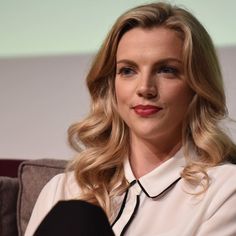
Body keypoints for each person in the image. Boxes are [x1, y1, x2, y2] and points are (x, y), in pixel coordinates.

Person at [25, 2, 236, 236]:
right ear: (111, 86)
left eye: (167, 70)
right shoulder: (63, 189)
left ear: (197, 86)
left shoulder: (225, 189)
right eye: (128, 71)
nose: (145, 88)